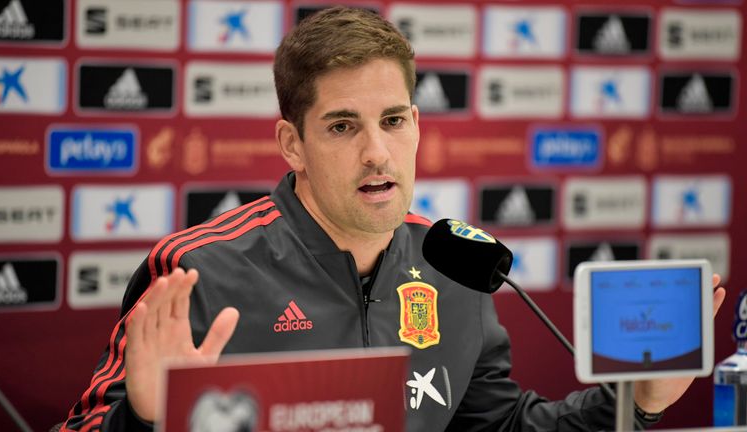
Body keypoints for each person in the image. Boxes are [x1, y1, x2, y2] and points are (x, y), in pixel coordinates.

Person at [60, 7, 726, 431]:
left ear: (416, 126)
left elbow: (499, 428)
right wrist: (145, 420)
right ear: (293, 144)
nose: (377, 151)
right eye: (342, 126)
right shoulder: (199, 269)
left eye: (393, 121)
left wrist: (636, 402)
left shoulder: (453, 264)